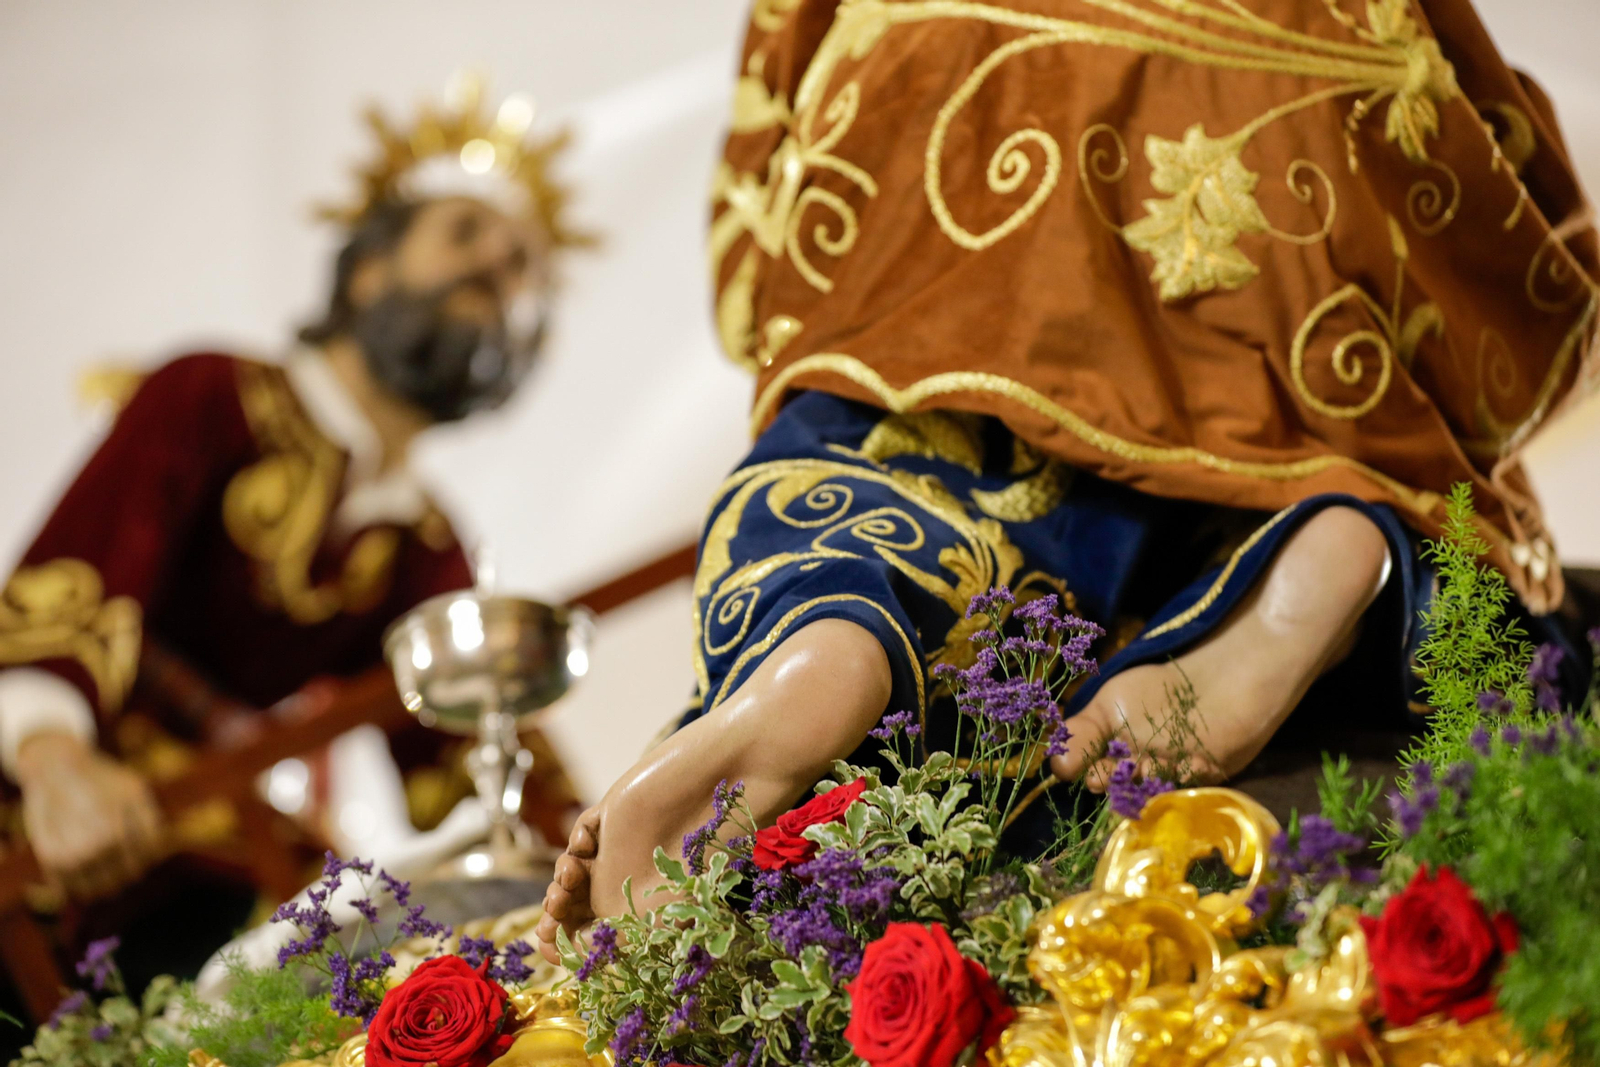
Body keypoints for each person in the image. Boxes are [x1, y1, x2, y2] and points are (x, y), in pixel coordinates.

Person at [535, 0, 1599, 960]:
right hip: (1307, 68)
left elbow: (763, 173)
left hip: (953, 54)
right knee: (1326, 434)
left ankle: (826, 620)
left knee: (903, 431)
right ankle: (1326, 534)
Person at [0, 80, 587, 911]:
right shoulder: (211, 394)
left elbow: (471, 736)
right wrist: (54, 762)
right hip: (39, 834)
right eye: (466, 235)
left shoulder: (426, 542)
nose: (498, 269)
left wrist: (594, 845)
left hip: (214, 868)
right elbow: (69, 585)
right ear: (369, 271)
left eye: (524, 268)